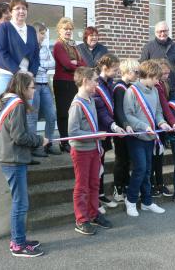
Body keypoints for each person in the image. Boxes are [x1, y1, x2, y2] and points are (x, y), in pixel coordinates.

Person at [0, 72, 49, 257]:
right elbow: (19, 137)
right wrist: (39, 140)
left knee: (19, 202)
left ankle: (18, 239)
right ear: (24, 88)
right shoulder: (17, 104)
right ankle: (18, 245)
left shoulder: (8, 102)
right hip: (13, 160)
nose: (35, 90)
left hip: (11, 159)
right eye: (32, 87)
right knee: (20, 204)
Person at [123, 60, 171, 217]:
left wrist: (162, 123)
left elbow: (157, 112)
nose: (159, 81)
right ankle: (130, 201)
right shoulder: (132, 91)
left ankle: (146, 201)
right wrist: (143, 126)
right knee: (140, 169)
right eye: (157, 78)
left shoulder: (155, 90)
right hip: (137, 137)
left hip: (150, 137)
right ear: (149, 75)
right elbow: (128, 115)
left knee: (148, 170)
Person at [68, 67, 112, 235]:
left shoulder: (91, 100)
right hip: (81, 151)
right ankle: (81, 219)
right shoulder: (76, 105)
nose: (97, 84)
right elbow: (72, 132)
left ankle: (94, 214)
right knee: (82, 186)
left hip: (93, 149)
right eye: (94, 80)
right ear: (85, 81)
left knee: (94, 183)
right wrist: (95, 134)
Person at [93, 54, 123, 212]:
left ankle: (101, 194)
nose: (117, 72)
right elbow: (101, 110)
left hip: (107, 129)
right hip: (99, 129)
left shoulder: (110, 83)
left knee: (102, 165)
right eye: (115, 69)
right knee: (96, 167)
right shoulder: (96, 85)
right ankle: (95, 200)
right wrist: (113, 125)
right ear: (104, 68)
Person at [26, 22, 61, 157]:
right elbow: (31, 66)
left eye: (45, 33)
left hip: (45, 85)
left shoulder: (46, 48)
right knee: (32, 118)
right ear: (34, 33)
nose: (44, 36)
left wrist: (40, 65)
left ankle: (48, 143)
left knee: (51, 116)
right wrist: (41, 66)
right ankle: (34, 147)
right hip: (33, 86)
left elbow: (53, 63)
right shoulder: (28, 48)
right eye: (41, 33)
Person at [53, 17, 87, 153]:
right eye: (65, 29)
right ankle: (64, 141)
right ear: (59, 30)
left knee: (73, 113)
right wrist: (74, 63)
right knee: (64, 113)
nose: (68, 31)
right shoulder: (58, 45)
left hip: (73, 82)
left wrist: (76, 63)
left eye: (70, 29)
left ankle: (72, 138)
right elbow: (66, 65)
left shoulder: (73, 45)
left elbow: (84, 63)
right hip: (62, 83)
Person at [0, 0, 40, 96]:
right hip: (7, 74)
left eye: (24, 8)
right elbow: (1, 51)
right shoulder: (4, 28)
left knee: (27, 109)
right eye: (17, 8)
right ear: (11, 12)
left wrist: (32, 73)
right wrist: (17, 71)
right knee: (9, 108)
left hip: (27, 77)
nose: (21, 11)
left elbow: (36, 54)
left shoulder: (31, 30)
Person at [112, 58, 140, 202]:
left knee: (126, 159)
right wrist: (125, 124)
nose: (137, 75)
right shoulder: (120, 88)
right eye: (136, 72)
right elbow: (118, 110)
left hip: (127, 129)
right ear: (128, 72)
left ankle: (126, 184)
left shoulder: (128, 86)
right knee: (121, 159)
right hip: (121, 130)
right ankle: (118, 188)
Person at [151, 59, 175, 197]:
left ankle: (160, 183)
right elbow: (163, 106)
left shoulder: (164, 84)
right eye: (164, 73)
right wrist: (173, 121)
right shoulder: (156, 86)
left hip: (162, 123)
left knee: (159, 156)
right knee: (153, 157)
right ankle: (153, 184)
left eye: (168, 73)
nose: (166, 76)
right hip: (155, 124)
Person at [140, 21, 175, 93]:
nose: (162, 33)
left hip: (172, 88)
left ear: (168, 31)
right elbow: (143, 68)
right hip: (155, 88)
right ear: (155, 32)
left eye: (165, 31)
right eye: (160, 31)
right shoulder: (148, 47)